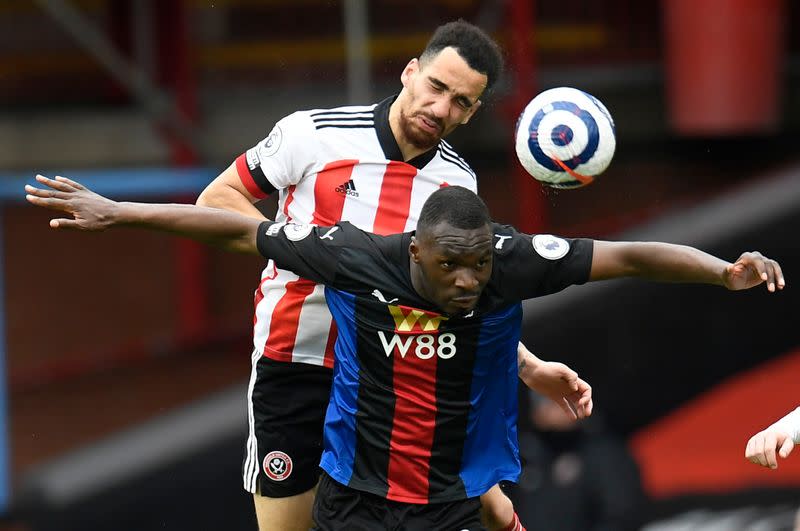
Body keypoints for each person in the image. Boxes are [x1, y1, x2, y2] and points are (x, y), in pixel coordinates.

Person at [26, 176, 785, 530]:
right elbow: (233, 230)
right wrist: (115, 211)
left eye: (476, 266)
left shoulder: (513, 257)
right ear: (413, 247)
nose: (465, 281)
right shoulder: (357, 255)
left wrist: (723, 270)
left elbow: (630, 257)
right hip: (356, 493)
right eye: (447, 265)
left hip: (456, 494)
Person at [193, 18, 586, 531]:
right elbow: (217, 200)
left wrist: (527, 365)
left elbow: (453, 297)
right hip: (296, 358)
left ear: (472, 114)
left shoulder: (456, 185)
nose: (441, 109)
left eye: (461, 102)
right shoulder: (312, 134)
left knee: (481, 504)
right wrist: (307, 251)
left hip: (391, 375)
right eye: (437, 87)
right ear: (410, 72)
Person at [508, 392, 647, 530]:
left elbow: (621, 515)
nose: (558, 409)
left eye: (564, 401)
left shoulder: (600, 451)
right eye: (548, 404)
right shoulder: (527, 459)